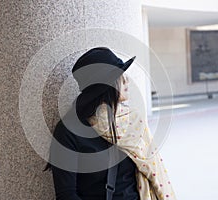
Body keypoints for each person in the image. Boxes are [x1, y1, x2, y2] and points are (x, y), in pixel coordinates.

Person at [48, 47, 175, 200]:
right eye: (120, 75)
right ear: (105, 85)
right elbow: (66, 195)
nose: (127, 80)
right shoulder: (69, 131)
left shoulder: (132, 121)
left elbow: (152, 174)